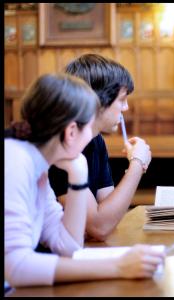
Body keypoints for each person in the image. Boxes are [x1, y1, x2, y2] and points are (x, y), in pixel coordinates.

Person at [5, 73, 164, 287]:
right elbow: (16, 268)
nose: (92, 135)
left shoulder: (38, 167)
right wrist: (118, 266)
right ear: (71, 132)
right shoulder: (14, 160)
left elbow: (69, 246)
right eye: (89, 128)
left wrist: (79, 175)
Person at [48, 54, 151, 242]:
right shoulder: (62, 144)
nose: (126, 107)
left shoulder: (96, 141)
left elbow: (110, 216)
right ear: (98, 101)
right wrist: (137, 164)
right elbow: (100, 226)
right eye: (122, 99)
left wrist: (136, 163)